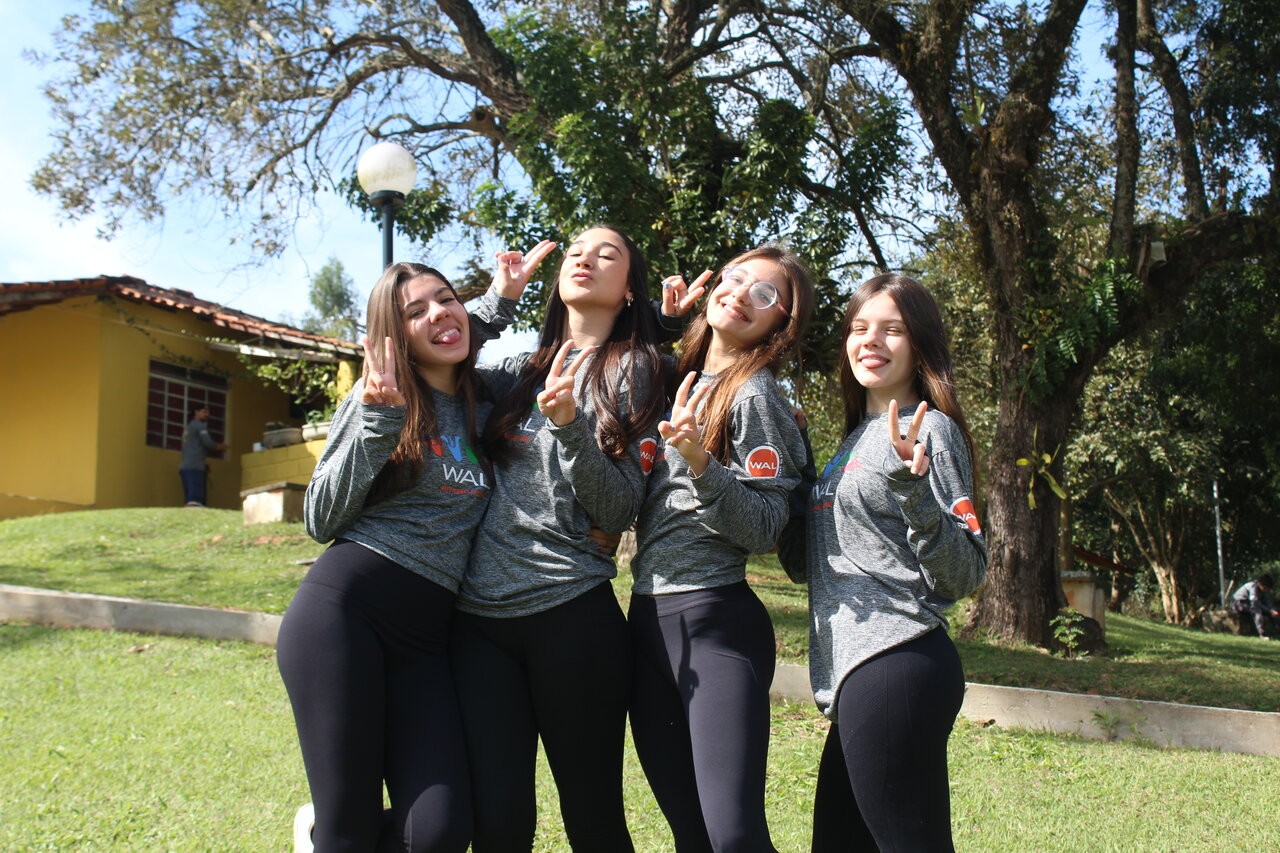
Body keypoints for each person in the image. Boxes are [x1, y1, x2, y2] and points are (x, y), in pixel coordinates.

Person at [276, 248, 552, 853]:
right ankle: (327, 832)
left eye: (446, 300)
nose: (438, 315)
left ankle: (322, 833)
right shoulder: (381, 397)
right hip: (345, 616)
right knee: (349, 829)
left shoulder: (486, 398)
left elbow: (465, 334)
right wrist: (379, 426)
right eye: (414, 312)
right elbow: (319, 517)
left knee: (440, 830)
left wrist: (502, 299)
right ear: (393, 336)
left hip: (426, 642)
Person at [450, 225, 666, 852]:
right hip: (479, 624)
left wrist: (571, 428)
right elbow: (433, 355)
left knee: (593, 821)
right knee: (498, 824)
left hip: (570, 616)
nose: (585, 260)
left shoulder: (637, 371)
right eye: (575, 252)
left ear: (630, 290)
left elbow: (618, 507)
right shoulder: (518, 371)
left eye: (607, 255)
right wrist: (498, 300)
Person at [779, 273, 987, 852]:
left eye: (891, 329)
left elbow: (965, 573)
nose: (870, 340)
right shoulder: (854, 441)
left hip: (898, 657)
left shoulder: (930, 430)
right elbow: (807, 563)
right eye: (859, 327)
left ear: (920, 345)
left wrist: (915, 492)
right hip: (858, 673)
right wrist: (798, 464)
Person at [628, 246, 815, 852]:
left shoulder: (755, 394)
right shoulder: (673, 380)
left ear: (781, 323)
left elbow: (765, 527)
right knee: (690, 834)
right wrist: (661, 319)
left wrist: (700, 462)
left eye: (765, 294)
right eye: (735, 278)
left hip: (715, 621)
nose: (741, 293)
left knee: (732, 835)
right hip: (646, 619)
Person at [179, 405, 227, 506]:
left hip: (186, 467)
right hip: (195, 467)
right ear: (196, 412)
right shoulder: (198, 425)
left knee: (190, 500)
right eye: (204, 412)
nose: (207, 415)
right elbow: (208, 443)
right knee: (195, 501)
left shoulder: (189, 427)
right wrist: (220, 447)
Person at [1231, 574, 1279, 639]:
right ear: (1260, 584)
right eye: (1265, 588)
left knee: (1273, 611)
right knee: (1257, 611)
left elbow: (1265, 603)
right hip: (1239, 603)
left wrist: (1271, 610)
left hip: (1249, 604)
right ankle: (1262, 634)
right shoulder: (1253, 587)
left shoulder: (1262, 591)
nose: (1266, 590)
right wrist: (1269, 610)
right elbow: (1255, 603)